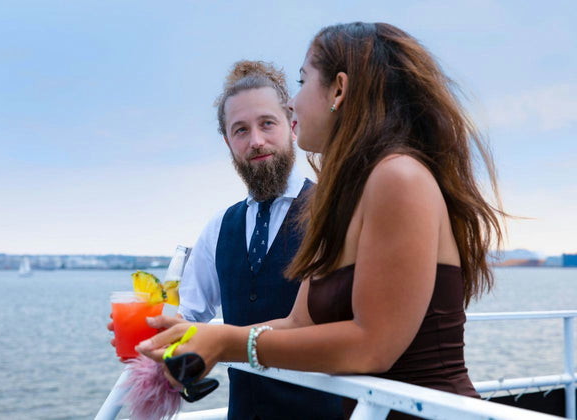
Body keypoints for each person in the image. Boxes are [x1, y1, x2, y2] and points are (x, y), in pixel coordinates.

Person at [137, 23, 505, 419]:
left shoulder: (398, 176)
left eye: (302, 80)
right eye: (241, 130)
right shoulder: (345, 196)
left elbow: (373, 346)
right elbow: (299, 322)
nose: (292, 102)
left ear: (339, 90)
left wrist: (227, 343)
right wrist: (198, 336)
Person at [109, 60, 343, 420]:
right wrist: (149, 331)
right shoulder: (219, 228)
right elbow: (187, 312)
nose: (256, 141)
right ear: (227, 142)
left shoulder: (334, 212)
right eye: (240, 130)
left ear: (292, 125)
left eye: (267, 124)